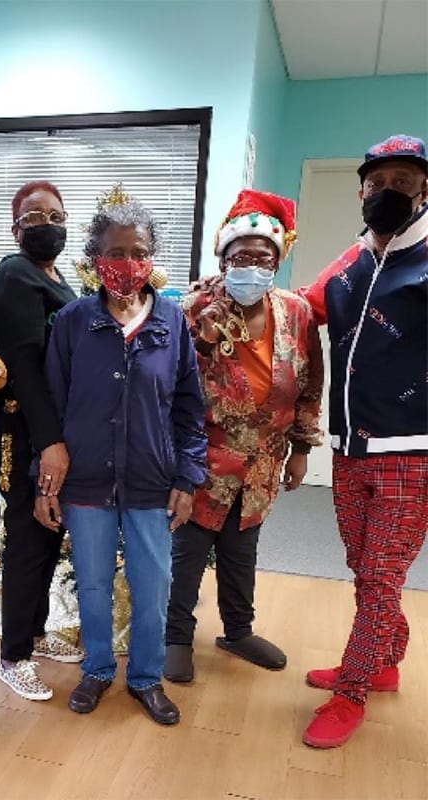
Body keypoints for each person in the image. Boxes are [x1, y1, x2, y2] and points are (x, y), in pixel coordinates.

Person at [37, 187, 206, 723]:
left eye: (138, 252)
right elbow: (51, 407)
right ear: (95, 258)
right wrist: (46, 482)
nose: (127, 263)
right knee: (91, 583)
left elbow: (190, 408)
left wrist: (187, 477)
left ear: (151, 258)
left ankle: (146, 678)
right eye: (115, 252)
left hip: (152, 481)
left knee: (152, 587)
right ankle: (96, 669)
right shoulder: (72, 322)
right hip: (86, 481)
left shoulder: (172, 322)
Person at [299, 135, 428, 749]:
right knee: (364, 568)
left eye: (403, 182)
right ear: (361, 192)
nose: (388, 193)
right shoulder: (352, 261)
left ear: (423, 190)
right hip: (349, 446)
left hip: (413, 450)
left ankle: (351, 693)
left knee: (379, 576)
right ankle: (385, 659)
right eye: (377, 183)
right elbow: (300, 310)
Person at [164, 189, 323, 684]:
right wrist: (203, 339)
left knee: (241, 548)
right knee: (188, 551)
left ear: (277, 261)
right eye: (241, 257)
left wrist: (300, 450)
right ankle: (174, 636)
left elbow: (310, 384)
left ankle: (238, 631)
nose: (251, 266)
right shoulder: (193, 307)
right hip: (203, 456)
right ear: (223, 259)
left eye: (263, 258)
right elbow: (166, 381)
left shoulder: (296, 312)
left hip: (263, 460)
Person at [0, 180, 84, 701]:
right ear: (15, 229)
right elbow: (23, 364)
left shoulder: (55, 276)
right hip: (22, 430)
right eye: (35, 217)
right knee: (27, 533)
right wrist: (49, 444)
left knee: (47, 533)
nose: (48, 225)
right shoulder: (15, 275)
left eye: (56, 216)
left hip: (52, 428)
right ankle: (13, 655)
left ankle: (36, 632)